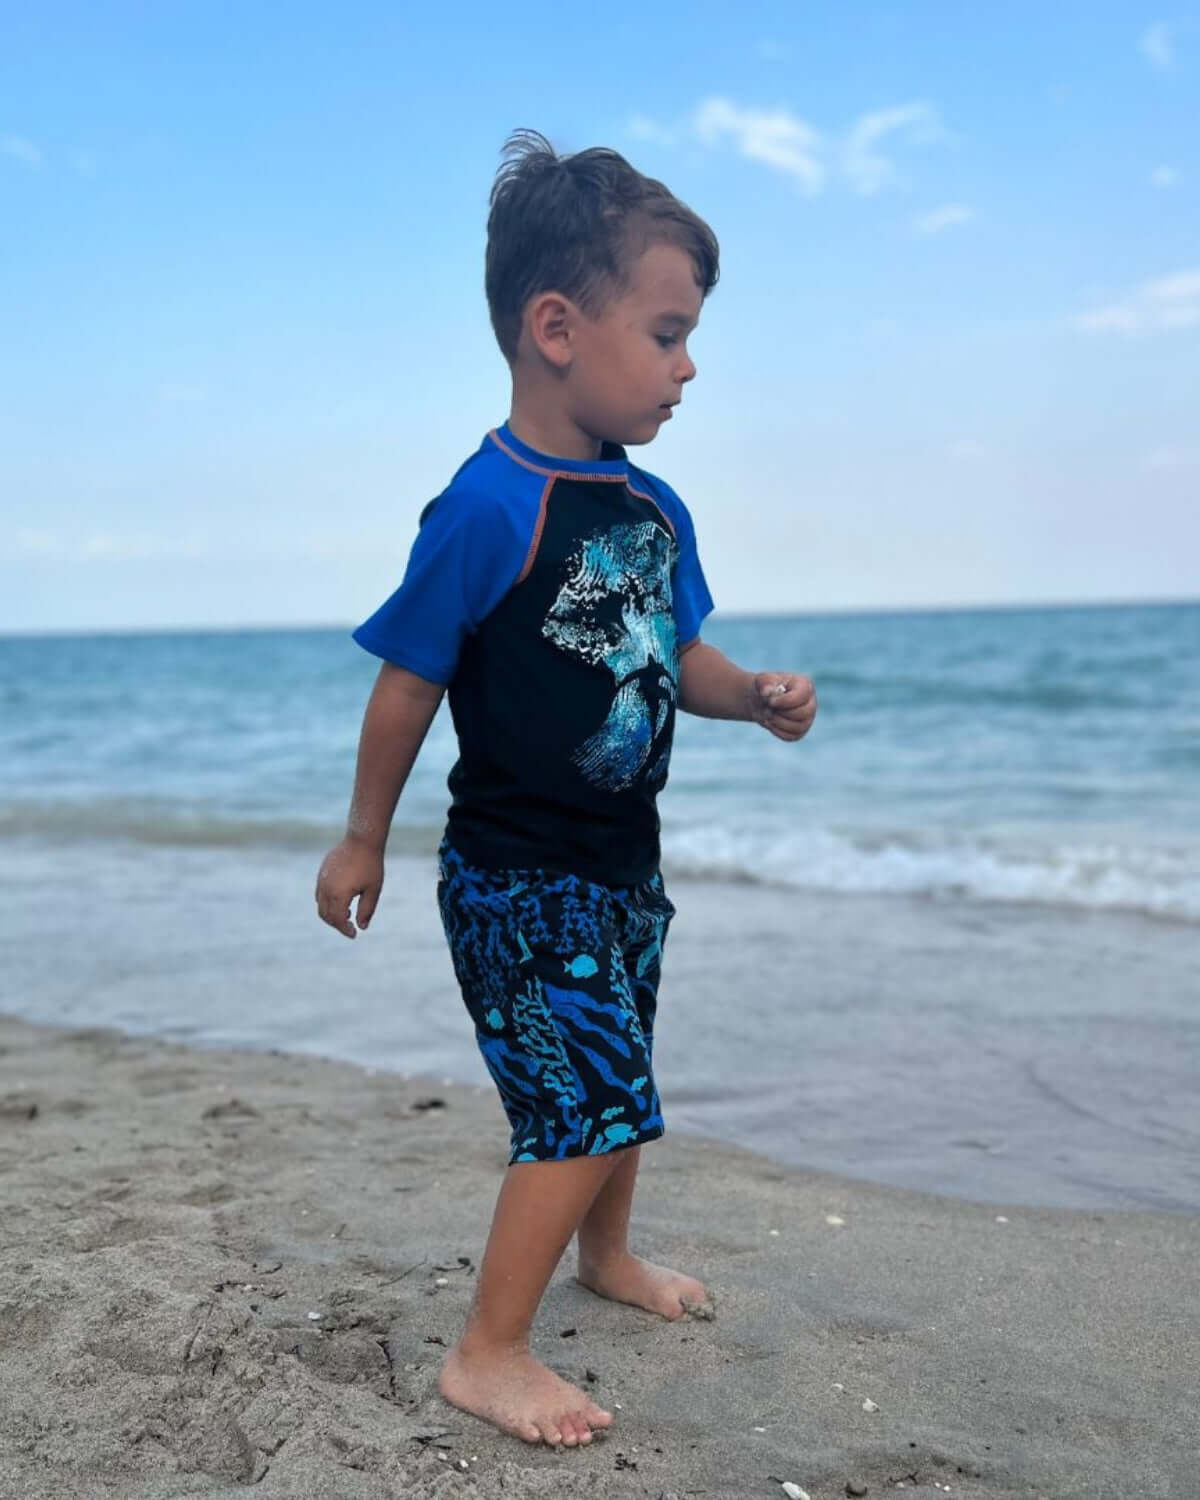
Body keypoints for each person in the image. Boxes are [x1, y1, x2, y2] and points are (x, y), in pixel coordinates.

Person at [315, 128, 818, 1452]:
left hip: (618, 869)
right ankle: (486, 1351)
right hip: (514, 875)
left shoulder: (652, 515)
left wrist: (750, 692)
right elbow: (408, 682)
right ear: (555, 327)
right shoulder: (488, 509)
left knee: (622, 1079)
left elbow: (679, 656)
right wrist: (361, 840)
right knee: (585, 1102)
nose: (689, 363)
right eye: (665, 333)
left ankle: (608, 1258)